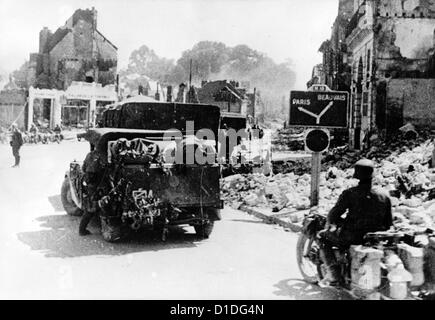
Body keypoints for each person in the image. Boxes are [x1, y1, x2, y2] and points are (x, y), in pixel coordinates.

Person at [319, 159, 393, 286]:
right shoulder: (384, 195)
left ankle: (333, 271)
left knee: (322, 236)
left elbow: (335, 213)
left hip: (352, 237)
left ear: (357, 176)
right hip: (375, 239)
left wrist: (331, 222)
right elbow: (389, 223)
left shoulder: (350, 193)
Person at [79, 145, 104, 236]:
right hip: (98, 184)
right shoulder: (103, 156)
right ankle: (82, 230)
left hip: (90, 184)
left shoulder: (90, 154)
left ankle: (82, 229)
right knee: (93, 207)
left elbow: (83, 168)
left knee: (91, 207)